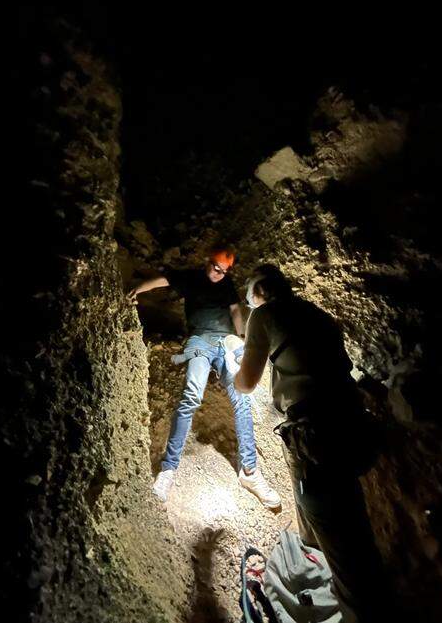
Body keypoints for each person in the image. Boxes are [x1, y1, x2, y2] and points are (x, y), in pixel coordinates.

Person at [235, 264, 393, 622]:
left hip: (317, 435)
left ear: (258, 294)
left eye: (250, 299)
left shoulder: (264, 315)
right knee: (345, 516)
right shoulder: (316, 314)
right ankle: (321, 571)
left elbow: (246, 382)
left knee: (342, 541)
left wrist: (236, 365)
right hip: (350, 424)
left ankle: (366, 611)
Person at [128, 248, 281, 508]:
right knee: (191, 395)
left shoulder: (227, 284)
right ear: (207, 262)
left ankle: (249, 472)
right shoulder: (190, 278)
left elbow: (235, 311)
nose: (219, 275)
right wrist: (137, 290)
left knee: (242, 398)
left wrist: (241, 339)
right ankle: (169, 469)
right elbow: (162, 280)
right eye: (216, 268)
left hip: (227, 341)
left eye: (224, 272)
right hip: (200, 340)